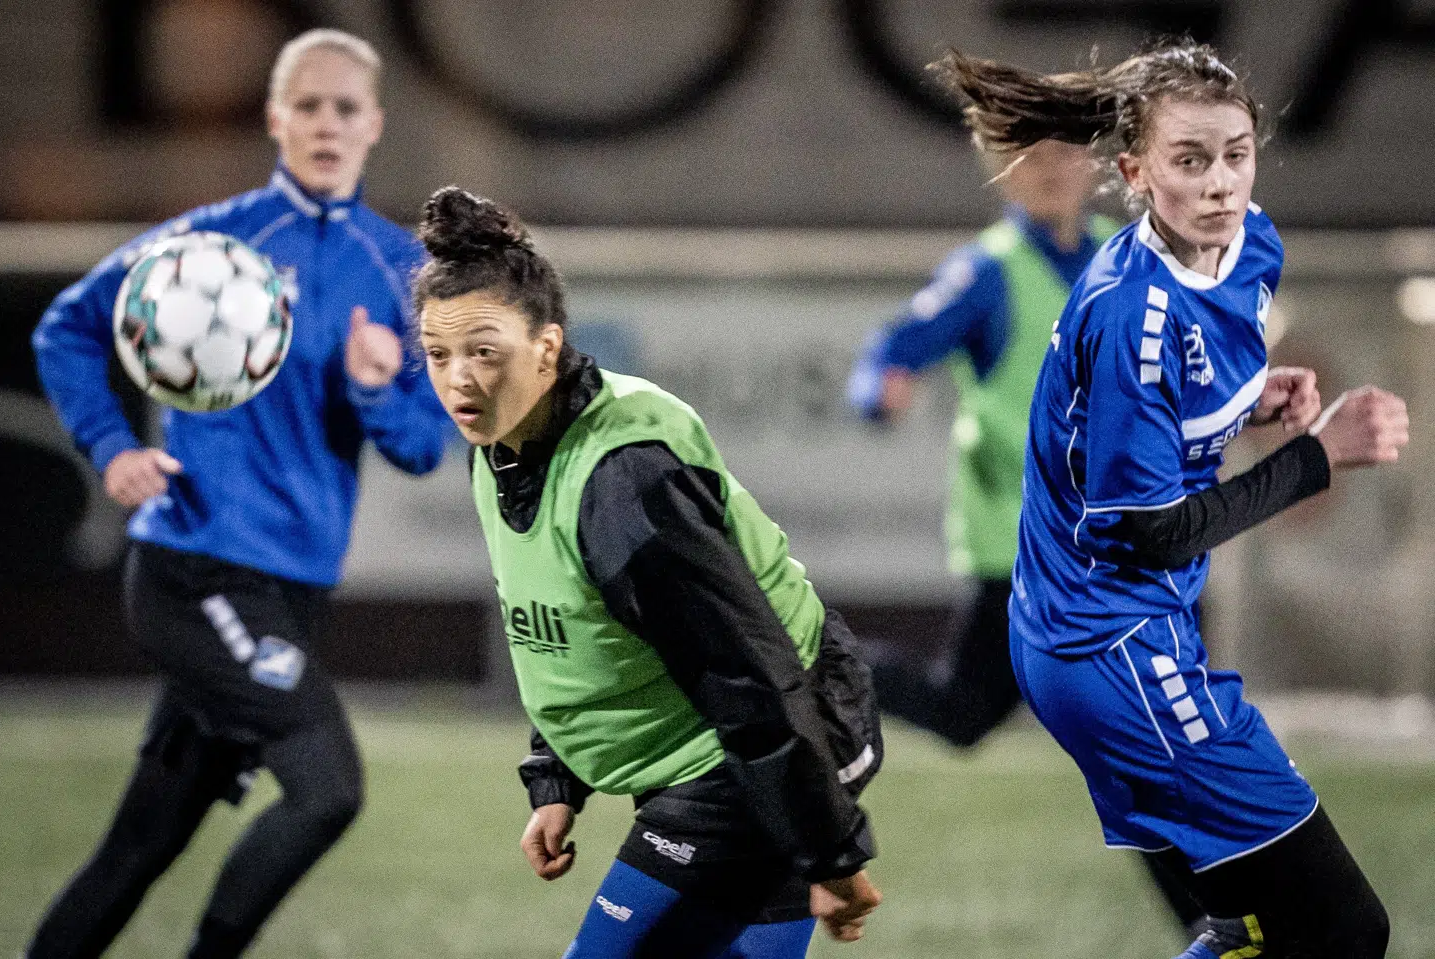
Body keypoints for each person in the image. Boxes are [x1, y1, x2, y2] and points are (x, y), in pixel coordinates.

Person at [939, 40, 1404, 958]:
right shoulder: (1129, 316)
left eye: (1236, 152)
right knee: (1345, 931)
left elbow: (1183, 400)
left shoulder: (1249, 244)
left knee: (1252, 928)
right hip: (1108, 651)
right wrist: (1318, 454)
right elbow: (1153, 533)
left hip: (1115, 633)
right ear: (1136, 173)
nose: (1221, 182)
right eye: (1190, 161)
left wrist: (1249, 396)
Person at [27, 29, 447, 959]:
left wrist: (377, 388)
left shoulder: (404, 274)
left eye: (346, 108)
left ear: (374, 124)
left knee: (141, 844)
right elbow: (66, 328)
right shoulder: (215, 240)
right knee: (329, 786)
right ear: (276, 118)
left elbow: (424, 448)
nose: (327, 123)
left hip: (290, 594)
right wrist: (110, 448)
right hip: (196, 568)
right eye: (309, 105)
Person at [414, 186, 884, 958]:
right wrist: (557, 776)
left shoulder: (623, 484)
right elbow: (565, 625)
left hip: (766, 748)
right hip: (724, 751)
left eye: (483, 351)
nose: (458, 379)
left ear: (548, 346)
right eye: (438, 354)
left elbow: (748, 670)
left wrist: (827, 846)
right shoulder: (504, 442)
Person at [847, 131, 1217, 927]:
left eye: (1067, 154)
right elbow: (890, 349)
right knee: (1127, 740)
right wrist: (881, 388)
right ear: (1002, 173)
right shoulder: (986, 272)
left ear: (1099, 166)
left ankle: (834, 661)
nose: (1053, 173)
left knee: (977, 714)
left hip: (1115, 547)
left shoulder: (1128, 259)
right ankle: (1218, 920)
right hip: (1030, 555)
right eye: (1034, 159)